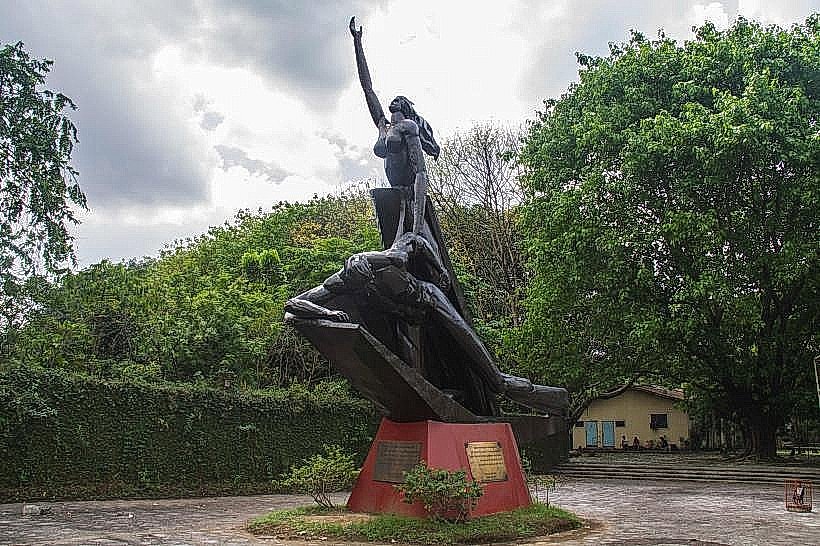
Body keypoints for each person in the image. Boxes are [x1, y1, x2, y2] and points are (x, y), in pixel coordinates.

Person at [284, 232, 567, 416]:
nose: (366, 285)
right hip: (409, 322)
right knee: (415, 384)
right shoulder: (341, 281)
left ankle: (549, 400)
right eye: (359, 284)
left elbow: (415, 238)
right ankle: (449, 397)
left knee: (492, 379)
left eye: (368, 277)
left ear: (371, 267)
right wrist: (329, 315)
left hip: (431, 301)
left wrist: (439, 270)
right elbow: (293, 305)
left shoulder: (389, 258)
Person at [350, 17, 440, 238]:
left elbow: (420, 172)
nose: (394, 100)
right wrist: (357, 43)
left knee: (410, 238)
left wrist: (418, 226)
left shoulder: (408, 127)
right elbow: (367, 88)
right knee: (391, 236)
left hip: (409, 189)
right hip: (393, 192)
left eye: (399, 99)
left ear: (406, 107)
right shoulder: (382, 123)